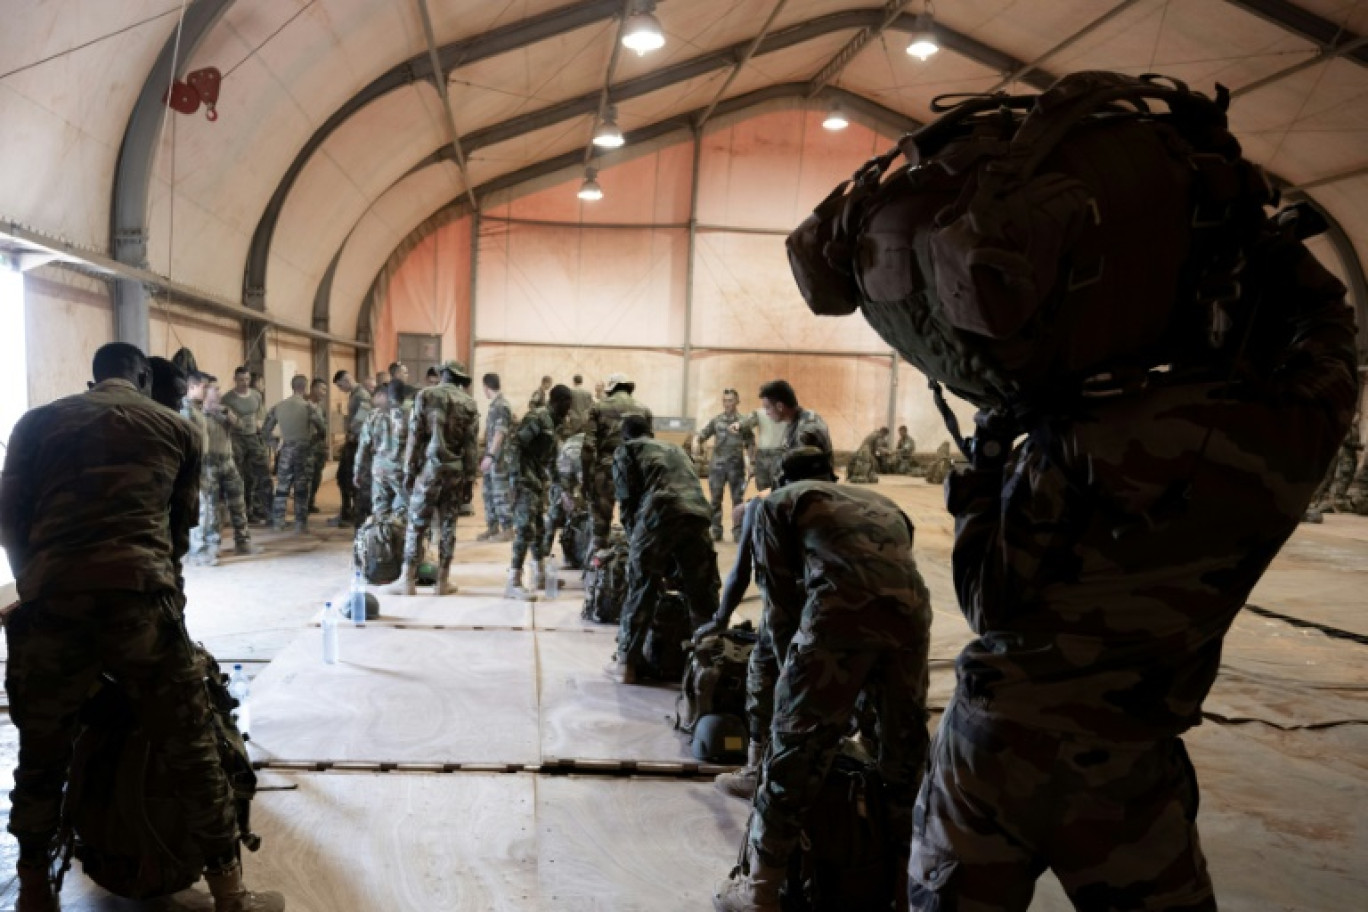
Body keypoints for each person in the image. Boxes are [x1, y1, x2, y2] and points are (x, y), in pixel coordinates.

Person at [905, 226, 1357, 910]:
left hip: (997, 745)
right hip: (1127, 760)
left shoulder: (1082, 430)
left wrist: (982, 483)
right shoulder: (1291, 440)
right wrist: (1256, 237)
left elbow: (989, 601)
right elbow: (1331, 334)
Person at [0, 343, 285, 912]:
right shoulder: (176, 428)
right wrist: (163, 603)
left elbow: (9, 515)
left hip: (53, 605)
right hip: (140, 602)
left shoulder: (35, 422)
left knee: (41, 752)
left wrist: (34, 584)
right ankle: (230, 892)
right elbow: (178, 533)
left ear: (93, 376)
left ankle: (34, 890)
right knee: (192, 745)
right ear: (139, 376)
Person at [714, 447, 932, 912]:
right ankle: (902, 882)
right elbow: (893, 571)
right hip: (911, 616)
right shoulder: (884, 503)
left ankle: (759, 890)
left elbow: (779, 606)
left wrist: (796, 691)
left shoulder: (776, 504)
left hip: (836, 614)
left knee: (795, 747)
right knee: (903, 747)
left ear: (780, 479)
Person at [607, 415, 720, 684]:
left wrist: (640, 548)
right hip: (698, 512)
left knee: (641, 586)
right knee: (701, 590)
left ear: (625, 436)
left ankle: (627, 665)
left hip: (659, 511)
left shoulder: (627, 450)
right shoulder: (675, 448)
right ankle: (709, 662)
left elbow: (627, 503)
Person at [695, 495, 776, 801]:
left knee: (763, 666)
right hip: (897, 605)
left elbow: (741, 571)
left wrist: (720, 619)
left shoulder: (763, 510)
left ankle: (755, 769)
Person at [390, 360, 480, 596]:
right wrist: (470, 479)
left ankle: (407, 580)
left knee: (417, 524)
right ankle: (442, 581)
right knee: (448, 526)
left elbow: (415, 437)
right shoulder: (469, 404)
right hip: (455, 472)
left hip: (428, 471)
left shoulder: (425, 396)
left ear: (443, 375)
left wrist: (409, 471)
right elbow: (471, 447)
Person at [504, 385, 573, 600]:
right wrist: (516, 479)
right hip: (525, 478)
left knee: (540, 529)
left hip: (537, 479)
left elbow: (553, 460)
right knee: (525, 528)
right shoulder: (538, 418)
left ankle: (540, 575)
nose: (568, 409)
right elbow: (514, 445)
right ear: (555, 401)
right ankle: (514, 581)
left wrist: (563, 490)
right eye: (566, 404)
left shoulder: (557, 423)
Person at [582, 373, 653, 554]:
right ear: (629, 388)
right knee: (635, 522)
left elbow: (589, 447)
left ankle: (598, 568)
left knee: (601, 523)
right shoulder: (644, 410)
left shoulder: (597, 408)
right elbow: (650, 447)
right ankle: (634, 566)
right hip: (635, 472)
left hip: (606, 470)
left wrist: (586, 479)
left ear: (611, 389)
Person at [203, 380, 260, 562]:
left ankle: (243, 542)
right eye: (215, 389)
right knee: (210, 508)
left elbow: (242, 427)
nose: (219, 392)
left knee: (238, 504)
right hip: (208, 465)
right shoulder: (197, 414)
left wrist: (228, 415)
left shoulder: (224, 412)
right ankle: (212, 547)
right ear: (205, 391)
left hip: (228, 463)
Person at [262, 375, 326, 534]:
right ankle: (300, 524)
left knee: (282, 488)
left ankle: (278, 523)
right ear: (305, 388)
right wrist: (312, 442)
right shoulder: (309, 407)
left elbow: (265, 431)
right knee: (302, 488)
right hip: (304, 452)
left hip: (286, 451)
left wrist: (276, 445)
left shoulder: (278, 407)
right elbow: (322, 430)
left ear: (292, 386)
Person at [697, 389, 754, 541]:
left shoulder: (743, 423)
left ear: (737, 402)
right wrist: (697, 443)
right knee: (715, 499)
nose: (727, 404)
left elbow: (750, 443)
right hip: (717, 467)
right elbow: (703, 434)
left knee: (737, 499)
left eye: (730, 400)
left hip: (736, 467)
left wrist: (752, 462)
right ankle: (716, 530)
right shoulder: (716, 421)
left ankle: (737, 531)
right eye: (725, 400)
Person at [221, 366, 270, 523]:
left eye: (247, 379)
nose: (244, 382)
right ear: (235, 380)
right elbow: (227, 420)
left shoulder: (256, 395)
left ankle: (261, 510)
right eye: (241, 379)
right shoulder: (228, 399)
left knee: (259, 475)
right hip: (237, 440)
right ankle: (241, 512)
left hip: (254, 438)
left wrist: (261, 428)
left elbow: (261, 415)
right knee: (238, 477)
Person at [355, 380, 409, 522]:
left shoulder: (373, 415)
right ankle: (398, 539)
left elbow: (363, 446)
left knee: (380, 510)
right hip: (402, 469)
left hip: (380, 469)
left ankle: (381, 539)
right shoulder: (409, 415)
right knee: (403, 510)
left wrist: (357, 471)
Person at [477, 373, 515, 542]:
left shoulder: (501, 405)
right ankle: (492, 527)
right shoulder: (495, 405)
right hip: (492, 458)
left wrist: (491, 455)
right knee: (489, 492)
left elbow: (500, 432)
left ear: (486, 387)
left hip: (499, 459)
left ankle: (507, 529)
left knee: (501, 494)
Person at [331, 370, 372, 526]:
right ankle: (347, 511)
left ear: (347, 379)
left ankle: (354, 513)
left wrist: (351, 429)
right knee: (344, 477)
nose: (341, 389)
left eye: (341, 385)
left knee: (350, 478)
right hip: (353, 441)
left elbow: (362, 417)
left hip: (357, 442)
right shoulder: (355, 394)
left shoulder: (361, 395)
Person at [180, 371, 213, 564]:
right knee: (198, 507)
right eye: (204, 387)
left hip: (202, 464)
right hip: (192, 466)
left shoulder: (197, 409)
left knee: (205, 506)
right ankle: (196, 551)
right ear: (192, 387)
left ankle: (200, 547)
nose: (207, 391)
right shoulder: (186, 411)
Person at [543, 432, 588, 570]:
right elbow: (560, 480)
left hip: (585, 468)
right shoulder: (571, 455)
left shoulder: (599, 453)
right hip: (564, 472)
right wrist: (566, 495)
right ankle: (542, 556)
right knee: (555, 513)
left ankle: (577, 554)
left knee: (587, 514)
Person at [306, 378, 329, 515]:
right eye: (322, 389)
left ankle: (310, 502)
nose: (324, 392)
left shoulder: (321, 406)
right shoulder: (305, 404)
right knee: (306, 477)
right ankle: (302, 503)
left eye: (325, 390)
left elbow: (324, 427)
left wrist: (325, 448)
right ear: (313, 388)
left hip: (318, 446)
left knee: (316, 476)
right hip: (307, 447)